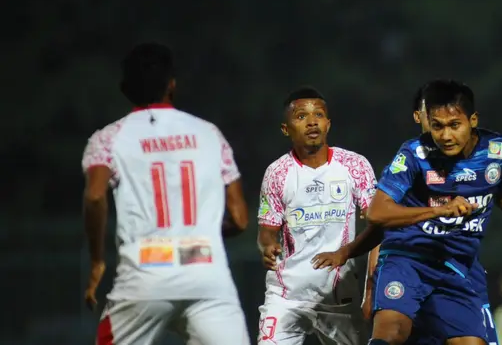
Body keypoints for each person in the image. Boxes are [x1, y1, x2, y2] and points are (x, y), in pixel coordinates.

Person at [314, 79, 502, 345]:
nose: (445, 135)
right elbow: (377, 213)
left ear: (473, 121)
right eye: (437, 126)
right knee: (392, 331)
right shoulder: (414, 154)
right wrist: (437, 211)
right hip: (408, 258)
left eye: (454, 125)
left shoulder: (499, 151)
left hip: (459, 265)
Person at [81, 42, 250, 345]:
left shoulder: (108, 138)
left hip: (146, 273)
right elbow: (239, 219)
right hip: (207, 274)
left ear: (125, 88)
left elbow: (95, 196)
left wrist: (96, 261)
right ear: (172, 84)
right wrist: (203, 232)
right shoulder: (209, 133)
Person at [360, 83, 500, 345]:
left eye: (452, 120)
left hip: (461, 274)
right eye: (434, 116)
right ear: (420, 116)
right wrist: (370, 286)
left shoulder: (477, 160)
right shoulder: (409, 160)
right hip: (409, 269)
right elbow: (381, 226)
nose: (443, 125)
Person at [256, 86, 378, 345]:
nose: (312, 122)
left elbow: (379, 227)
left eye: (318, 115)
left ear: (328, 123)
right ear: (285, 129)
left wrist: (370, 288)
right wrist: (267, 247)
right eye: (301, 116)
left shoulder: (354, 165)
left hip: (340, 296)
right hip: (286, 295)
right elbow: (267, 231)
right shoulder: (277, 173)